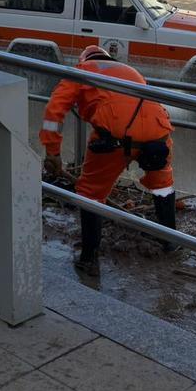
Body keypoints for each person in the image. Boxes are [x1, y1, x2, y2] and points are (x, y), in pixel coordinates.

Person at [41, 45, 176, 276]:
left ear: (84, 59)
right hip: (158, 135)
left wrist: (52, 152)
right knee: (162, 185)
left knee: (90, 193)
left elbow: (54, 112)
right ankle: (170, 240)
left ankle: (89, 259)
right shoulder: (129, 70)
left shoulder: (82, 70)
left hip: (114, 137)